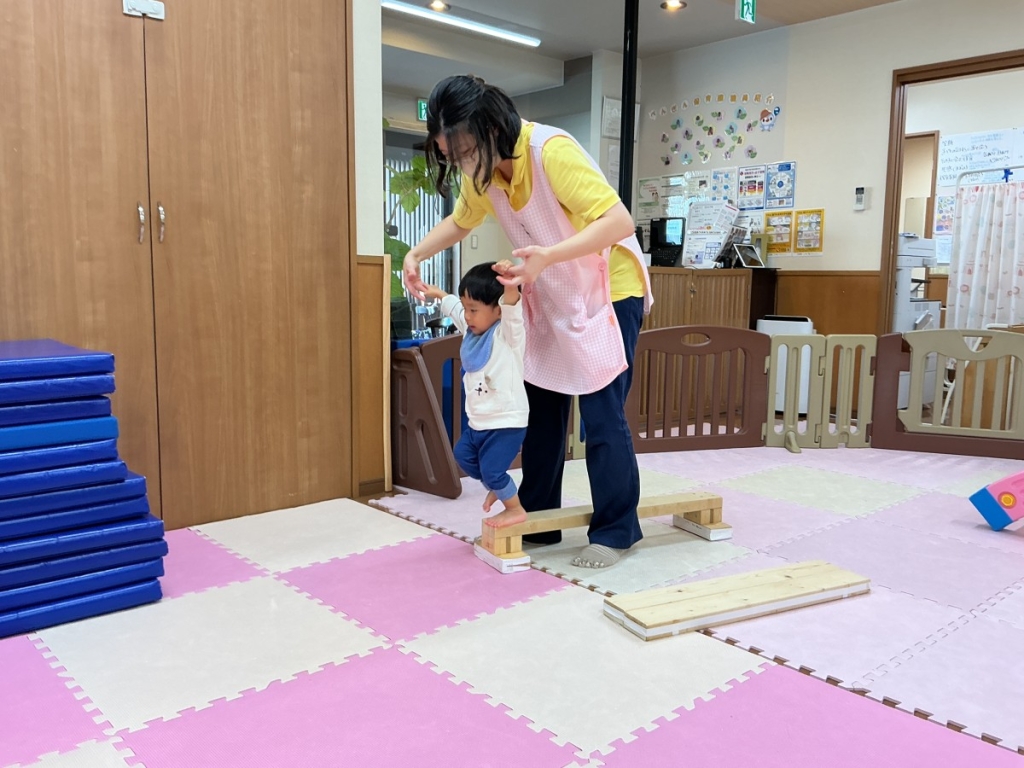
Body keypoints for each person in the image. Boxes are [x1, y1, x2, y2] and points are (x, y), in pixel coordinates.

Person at [404, 75, 653, 569]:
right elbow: (462, 220)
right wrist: (417, 252)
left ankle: (617, 529)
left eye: (466, 150)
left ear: (490, 126)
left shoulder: (550, 151)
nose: (462, 163)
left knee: (603, 415)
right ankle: (538, 518)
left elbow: (618, 221)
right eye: (453, 157)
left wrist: (548, 257)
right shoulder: (485, 174)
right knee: (539, 408)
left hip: (607, 290)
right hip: (552, 292)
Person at [422, 261, 528, 528]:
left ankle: (515, 509)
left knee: (493, 469)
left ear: (497, 309)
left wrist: (510, 285)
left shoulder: (507, 335)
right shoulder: (471, 330)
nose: (467, 317)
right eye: (466, 308)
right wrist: (439, 295)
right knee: (463, 456)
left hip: (506, 421)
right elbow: (457, 310)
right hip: (478, 421)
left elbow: (512, 307)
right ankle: (499, 486)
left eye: (474, 310)